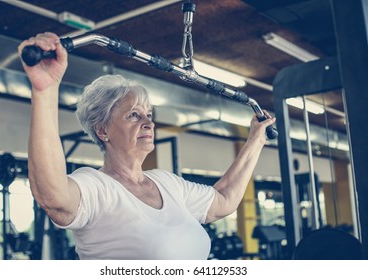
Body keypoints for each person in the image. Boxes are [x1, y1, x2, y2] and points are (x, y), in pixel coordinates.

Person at [18, 32, 276, 260]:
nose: (148, 123)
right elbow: (53, 197)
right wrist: (45, 92)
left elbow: (223, 200)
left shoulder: (167, 183)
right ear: (103, 130)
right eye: (133, 115)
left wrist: (256, 139)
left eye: (149, 115)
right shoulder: (97, 188)